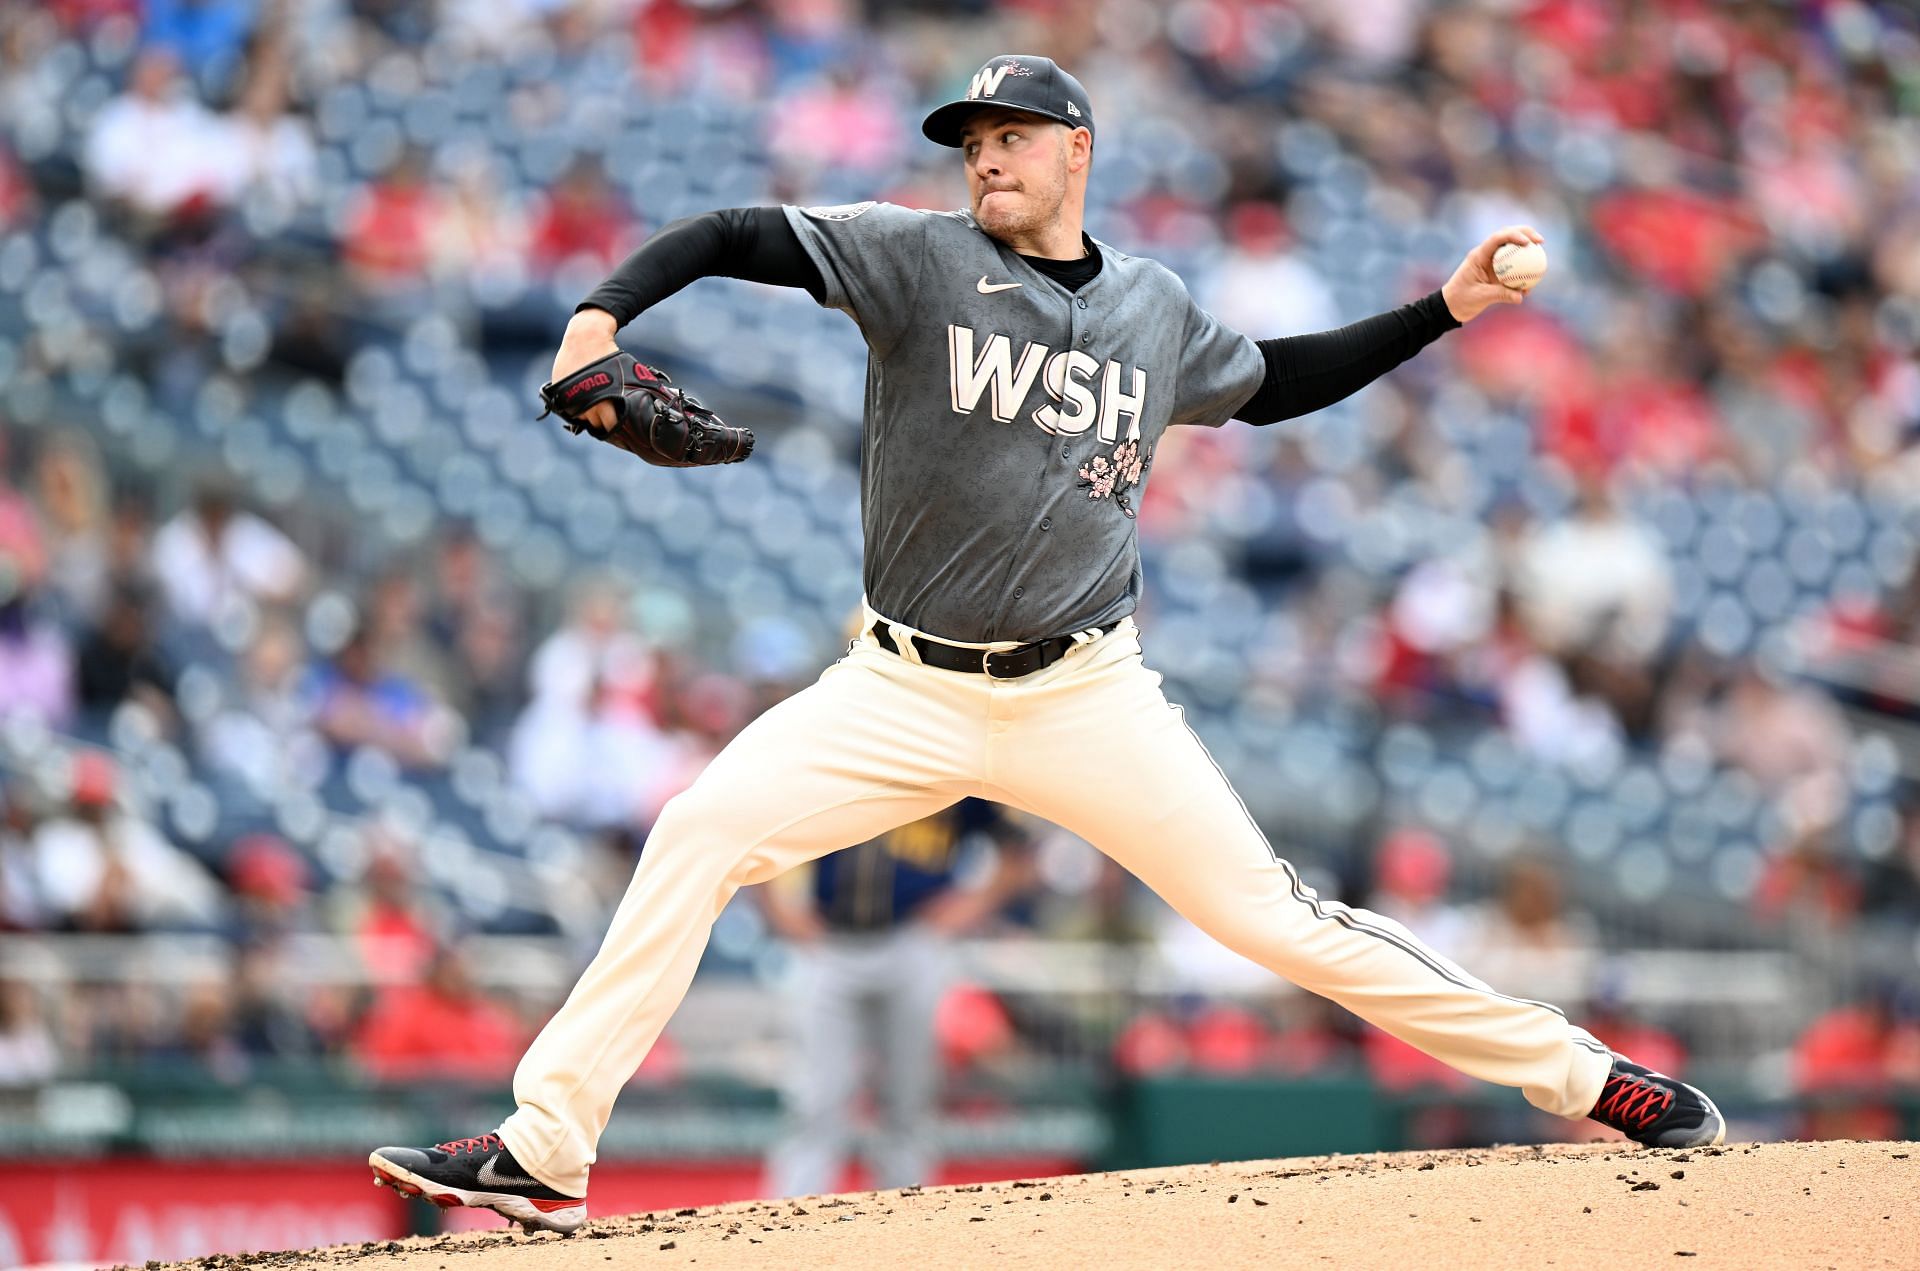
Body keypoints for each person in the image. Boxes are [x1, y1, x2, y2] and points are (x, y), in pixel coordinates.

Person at [370, 55, 1724, 1234]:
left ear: (1077, 150)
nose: (983, 162)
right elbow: (734, 231)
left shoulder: (1149, 306)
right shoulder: (915, 257)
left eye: (1008, 138)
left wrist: (1442, 310)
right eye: (969, 145)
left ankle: (1594, 1078)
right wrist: (599, 317)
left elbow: (1272, 383)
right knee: (698, 830)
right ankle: (547, 1144)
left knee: (1282, 921)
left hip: (1087, 690)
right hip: (900, 683)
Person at [759, 799, 1034, 1197]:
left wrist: (966, 908)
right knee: (817, 1099)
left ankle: (906, 1230)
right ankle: (787, 1231)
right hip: (829, 944)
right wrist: (778, 911)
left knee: (908, 1100)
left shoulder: (948, 769)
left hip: (911, 941)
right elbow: (751, 830)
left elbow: (1015, 850)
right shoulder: (838, 755)